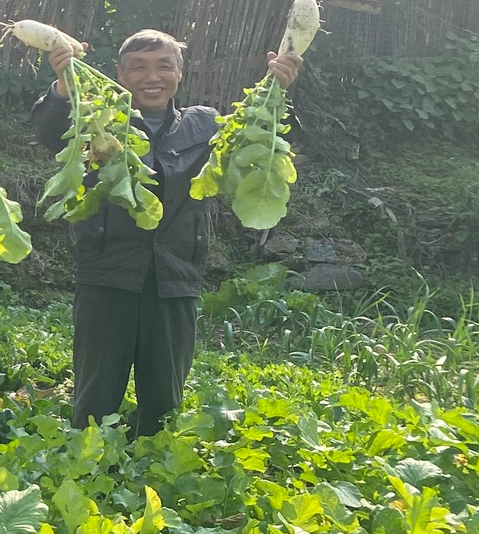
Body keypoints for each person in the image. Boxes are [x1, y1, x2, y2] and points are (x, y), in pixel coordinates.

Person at [34, 30, 303, 437]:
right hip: (108, 272)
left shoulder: (207, 125)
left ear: (180, 73)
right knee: (95, 395)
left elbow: (267, 139)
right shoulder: (98, 118)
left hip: (175, 275)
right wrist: (62, 86)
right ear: (120, 75)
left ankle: (154, 477)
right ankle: (86, 473)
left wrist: (278, 90)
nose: (151, 77)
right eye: (138, 67)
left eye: (164, 66)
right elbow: (47, 132)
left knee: (165, 397)